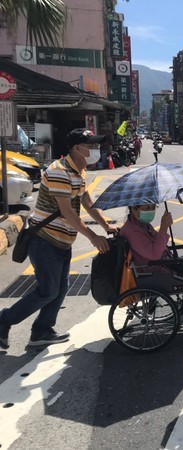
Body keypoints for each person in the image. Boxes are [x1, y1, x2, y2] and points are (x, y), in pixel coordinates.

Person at [0, 128, 116, 350]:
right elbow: (67, 212)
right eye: (90, 145)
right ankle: (4, 320)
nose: (95, 150)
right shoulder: (59, 171)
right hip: (45, 240)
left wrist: (105, 225)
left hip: (62, 241)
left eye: (96, 145)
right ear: (76, 149)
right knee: (48, 291)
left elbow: (87, 203)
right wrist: (93, 236)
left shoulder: (78, 171)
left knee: (60, 289)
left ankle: (42, 331)